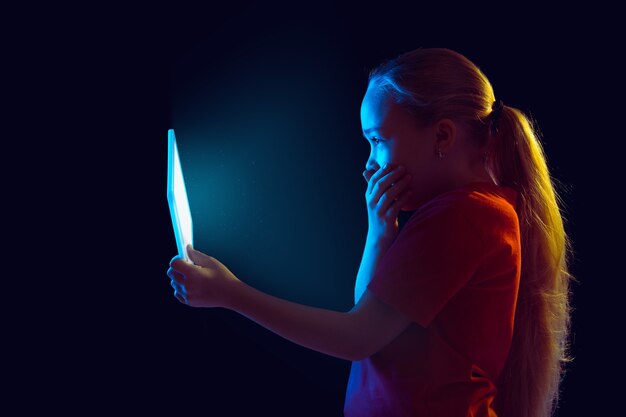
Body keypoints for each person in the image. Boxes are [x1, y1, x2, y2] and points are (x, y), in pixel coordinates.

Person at [167, 47, 574, 417]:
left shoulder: (466, 215)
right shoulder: (462, 213)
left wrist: (231, 293)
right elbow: (367, 317)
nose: (369, 164)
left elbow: (357, 338)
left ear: (442, 136)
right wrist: (380, 232)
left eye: (377, 141)